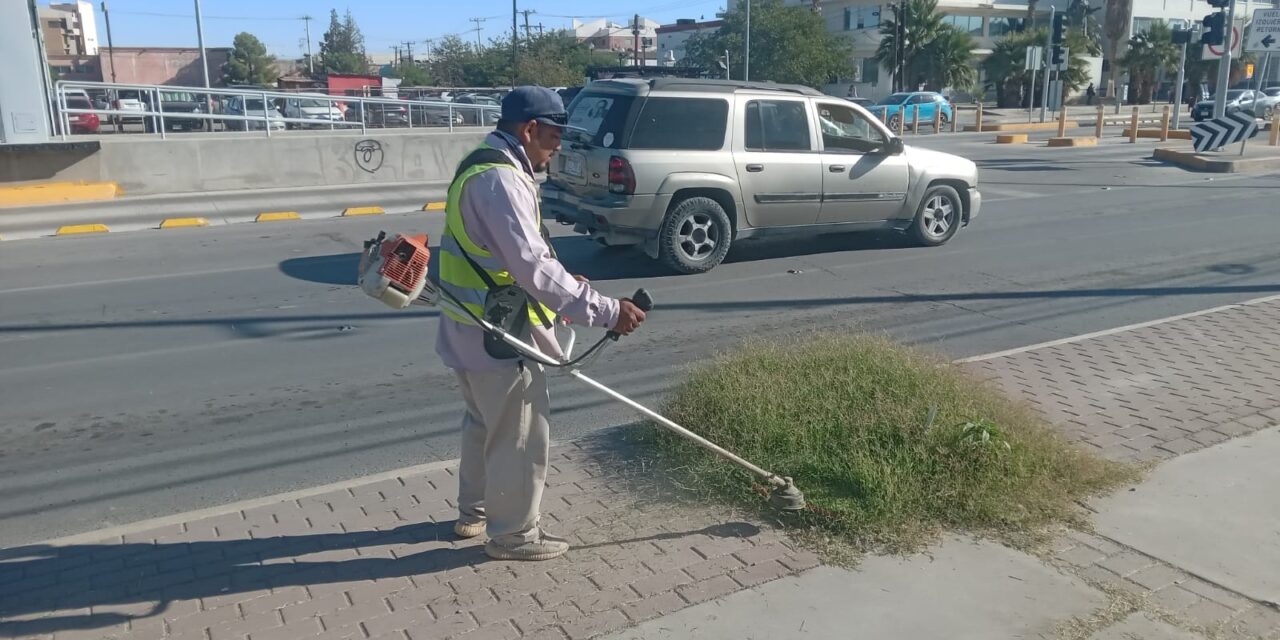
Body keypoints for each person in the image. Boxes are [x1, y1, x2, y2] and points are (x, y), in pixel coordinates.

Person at [436, 86, 647, 561]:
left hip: (465, 325)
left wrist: (563, 280)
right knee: (519, 436)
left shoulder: (479, 162)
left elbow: (501, 255)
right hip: (500, 335)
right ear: (529, 130)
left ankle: (474, 511)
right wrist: (607, 310)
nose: (559, 147)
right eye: (554, 136)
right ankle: (512, 535)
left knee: (481, 424)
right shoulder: (503, 182)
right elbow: (533, 268)